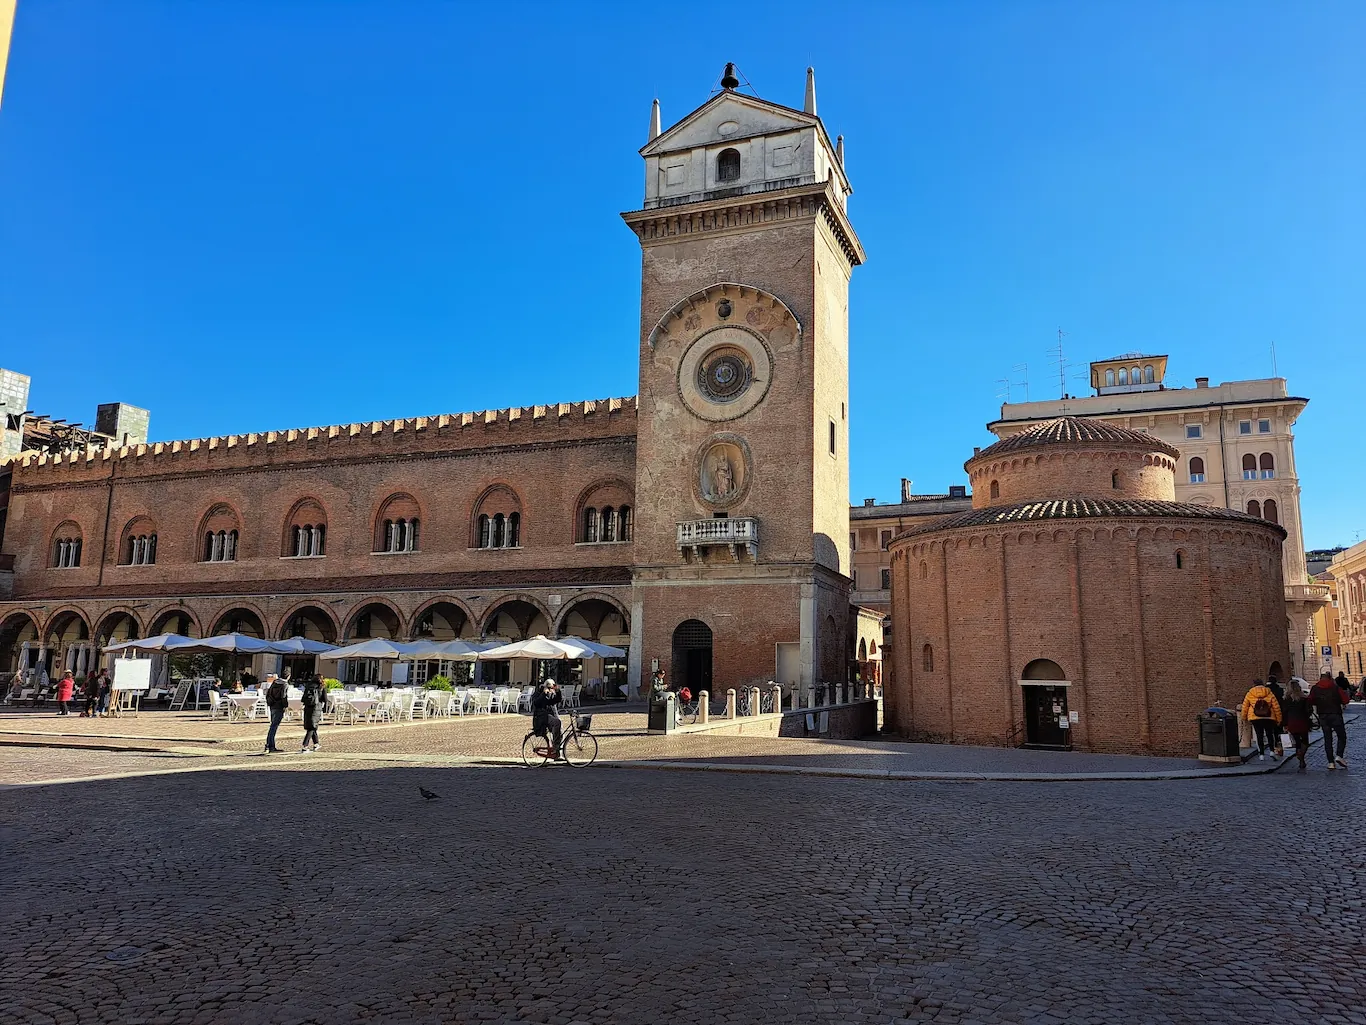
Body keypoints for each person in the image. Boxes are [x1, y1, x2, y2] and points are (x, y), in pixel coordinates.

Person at [1309, 670, 1348, 770]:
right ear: (1329, 679)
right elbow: (1345, 700)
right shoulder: (1335, 687)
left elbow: (1310, 700)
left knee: (1327, 738)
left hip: (1323, 716)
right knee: (1341, 736)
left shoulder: (1315, 688)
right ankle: (1339, 755)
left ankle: (1330, 762)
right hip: (1335, 714)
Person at [1240, 679, 1282, 760]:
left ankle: (1261, 754)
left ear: (1254, 684)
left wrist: (1243, 717)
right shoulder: (1269, 693)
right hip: (1268, 716)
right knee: (1269, 734)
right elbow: (1276, 707)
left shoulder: (1250, 693)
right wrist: (1279, 719)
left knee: (1259, 735)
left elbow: (1245, 706)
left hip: (1255, 717)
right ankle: (1271, 751)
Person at [1280, 678, 1313, 770]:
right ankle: (1301, 756)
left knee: (1297, 742)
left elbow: (1284, 713)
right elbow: (1309, 711)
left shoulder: (1286, 700)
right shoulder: (1303, 698)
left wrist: (1284, 724)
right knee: (1305, 742)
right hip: (1303, 721)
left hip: (1292, 722)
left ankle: (1300, 756)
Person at [531, 678, 564, 759]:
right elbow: (536, 703)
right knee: (557, 724)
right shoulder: (539, 692)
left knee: (560, 732)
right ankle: (555, 750)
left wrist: (558, 691)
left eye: (551, 687)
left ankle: (557, 753)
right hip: (542, 717)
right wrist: (543, 694)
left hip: (552, 716)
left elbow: (557, 699)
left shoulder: (552, 693)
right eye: (549, 687)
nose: (550, 689)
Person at [263, 673, 288, 754]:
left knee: (272, 725)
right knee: (274, 726)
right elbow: (283, 696)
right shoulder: (285, 684)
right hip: (279, 706)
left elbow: (268, 693)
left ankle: (270, 745)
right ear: (288, 676)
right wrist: (285, 706)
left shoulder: (275, 682)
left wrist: (270, 702)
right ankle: (269, 745)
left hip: (272, 705)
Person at [299, 674, 324, 753]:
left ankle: (316, 743)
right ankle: (305, 746)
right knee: (312, 727)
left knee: (312, 726)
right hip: (316, 708)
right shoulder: (321, 687)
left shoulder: (308, 686)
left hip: (307, 707)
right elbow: (325, 699)